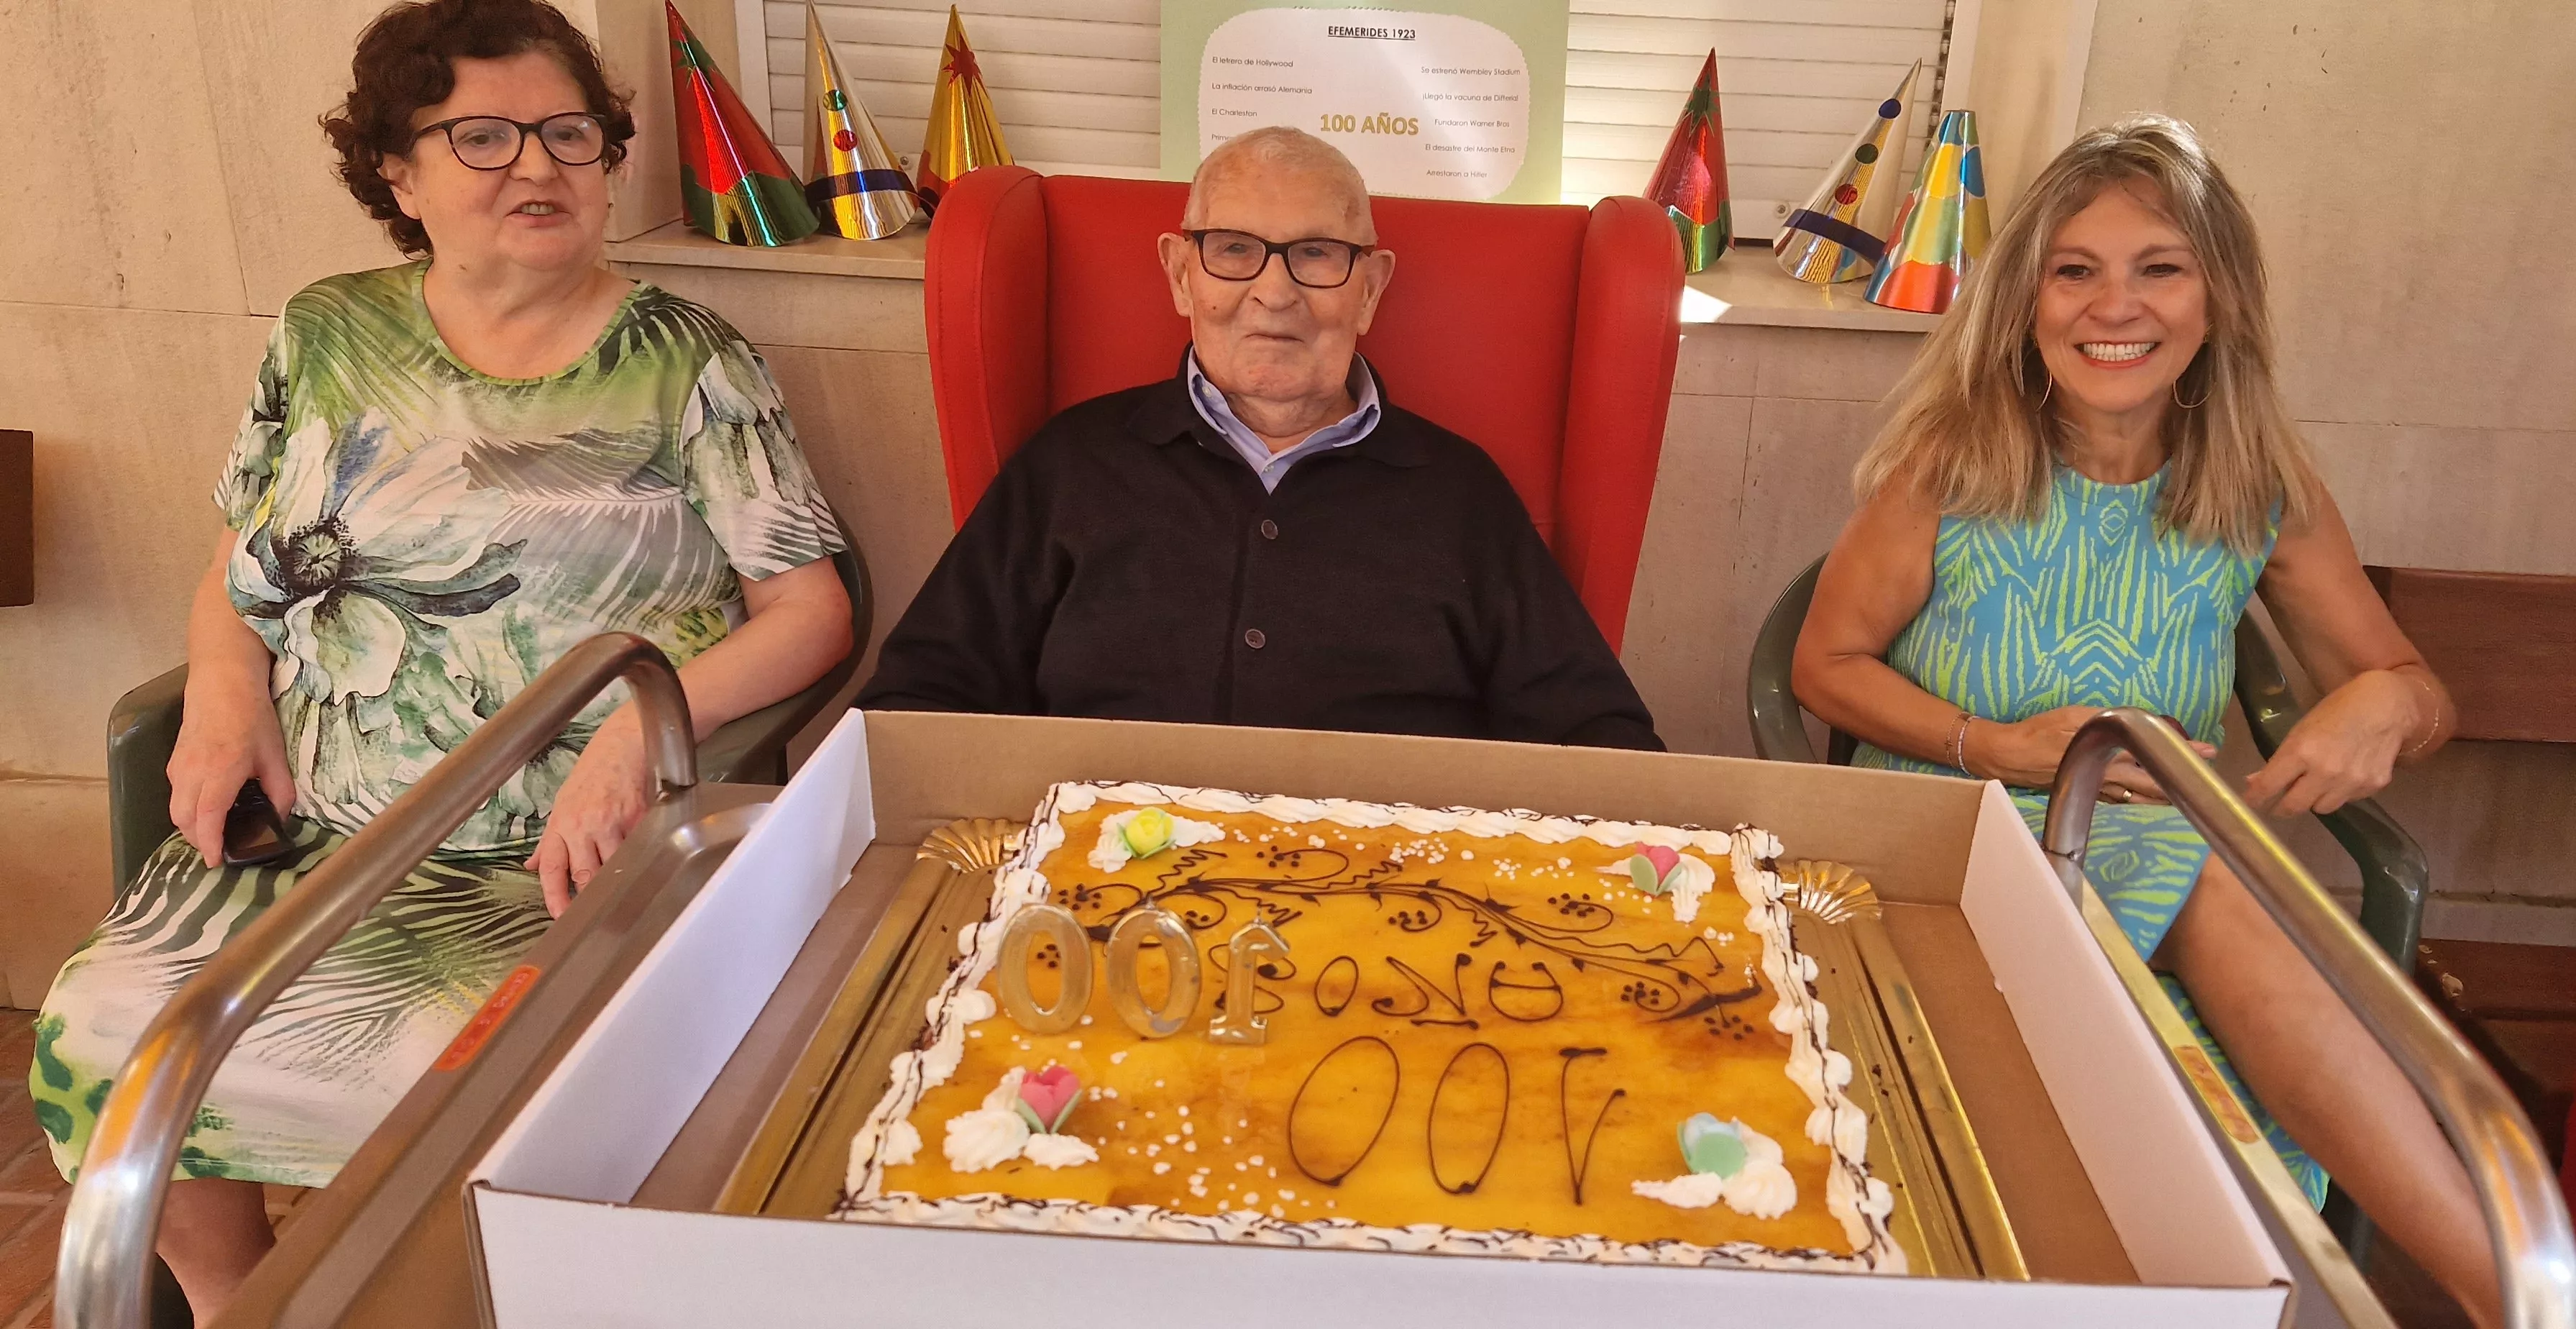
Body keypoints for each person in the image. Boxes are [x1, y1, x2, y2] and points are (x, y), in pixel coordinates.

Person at [27, 0, 852, 1316]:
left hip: (553, 855)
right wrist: (228, 683)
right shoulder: (326, 332)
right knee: (108, 1029)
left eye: (567, 133)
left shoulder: (686, 363)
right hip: (314, 829)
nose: (536, 166)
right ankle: (246, 1297)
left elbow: (809, 610)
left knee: (448, 1057)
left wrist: (643, 728)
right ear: (397, 175)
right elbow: (241, 557)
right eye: (483, 137)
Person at [1794, 115, 2495, 1325]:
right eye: (2074, 270)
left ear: (2215, 299)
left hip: (2149, 838)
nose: (2111, 305)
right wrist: (1993, 744)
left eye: (2157, 268)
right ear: (2025, 303)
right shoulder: (1948, 467)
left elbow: (2410, 688)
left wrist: (2384, 700)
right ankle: (2508, 1287)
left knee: (2211, 866)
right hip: (1962, 837)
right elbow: (1824, 664)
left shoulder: (2254, 486)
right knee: (2226, 882)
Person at [857, 127, 1659, 750]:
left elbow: (1593, 737)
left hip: (1385, 903)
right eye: (1234, 250)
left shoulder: (1459, 490)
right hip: (1100, 885)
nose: (1273, 293)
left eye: (1316, 255)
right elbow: (917, 703)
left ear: (1370, 287)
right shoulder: (1070, 464)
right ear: (1181, 274)